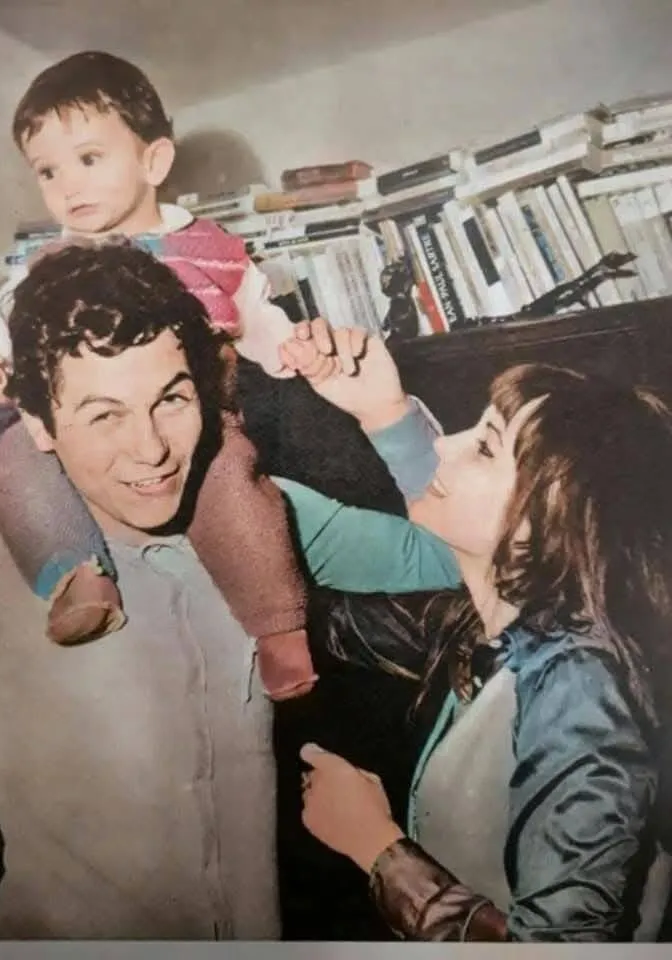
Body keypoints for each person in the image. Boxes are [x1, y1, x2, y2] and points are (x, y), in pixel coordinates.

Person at [0, 240, 474, 940]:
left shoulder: (265, 517)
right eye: (105, 415)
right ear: (40, 425)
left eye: (171, 400)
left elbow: (460, 557)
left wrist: (386, 414)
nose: (150, 449)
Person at [279, 318, 672, 941]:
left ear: (548, 521)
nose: (445, 447)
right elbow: (319, 607)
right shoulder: (505, 628)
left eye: (485, 447)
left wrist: (378, 848)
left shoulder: (582, 691)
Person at [0, 49, 316, 701]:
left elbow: (265, 328)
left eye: (89, 158)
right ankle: (76, 575)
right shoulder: (42, 271)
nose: (68, 185)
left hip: (193, 428)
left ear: (154, 161)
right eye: (48, 171)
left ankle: (279, 627)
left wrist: (300, 351)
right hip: (83, 440)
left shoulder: (212, 254)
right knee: (11, 462)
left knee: (231, 477)